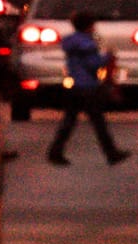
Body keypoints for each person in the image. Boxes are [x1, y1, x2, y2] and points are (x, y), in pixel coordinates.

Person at [47, 12, 130, 166]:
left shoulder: (71, 42)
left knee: (69, 121)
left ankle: (55, 151)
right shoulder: (88, 44)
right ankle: (111, 153)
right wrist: (108, 57)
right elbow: (94, 64)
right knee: (98, 122)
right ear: (89, 26)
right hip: (88, 87)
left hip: (74, 86)